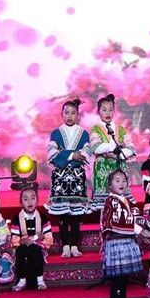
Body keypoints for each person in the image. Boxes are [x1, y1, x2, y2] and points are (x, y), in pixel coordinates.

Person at [46, 98, 91, 258]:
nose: (70, 116)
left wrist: (66, 155)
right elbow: (52, 153)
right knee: (63, 214)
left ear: (78, 115)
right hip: (61, 178)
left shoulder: (84, 133)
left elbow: (86, 153)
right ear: (62, 114)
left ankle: (74, 245)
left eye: (73, 113)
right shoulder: (56, 133)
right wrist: (72, 155)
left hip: (77, 177)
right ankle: (65, 245)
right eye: (67, 113)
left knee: (76, 215)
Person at [100, 169, 144, 298]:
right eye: (117, 180)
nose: (121, 183)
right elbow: (115, 221)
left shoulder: (127, 200)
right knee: (118, 281)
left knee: (123, 281)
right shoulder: (111, 201)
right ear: (110, 185)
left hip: (126, 243)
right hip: (117, 245)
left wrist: (145, 228)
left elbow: (136, 217)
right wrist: (139, 230)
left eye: (124, 180)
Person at [89, 94, 137, 213]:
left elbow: (131, 148)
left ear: (114, 111)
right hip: (103, 168)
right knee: (104, 207)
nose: (108, 113)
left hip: (119, 165)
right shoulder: (96, 128)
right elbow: (96, 148)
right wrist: (114, 147)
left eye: (110, 110)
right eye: (104, 110)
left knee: (121, 204)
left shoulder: (120, 128)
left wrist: (118, 155)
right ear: (98, 111)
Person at [10, 188, 54, 291]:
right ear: (21, 202)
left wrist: (34, 241)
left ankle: (40, 280)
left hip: (38, 247)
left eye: (33, 198)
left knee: (35, 249)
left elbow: (48, 238)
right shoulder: (16, 218)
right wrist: (24, 241)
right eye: (26, 199)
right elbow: (15, 239)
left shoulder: (43, 218)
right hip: (22, 246)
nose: (29, 202)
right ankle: (22, 280)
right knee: (20, 251)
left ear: (37, 200)